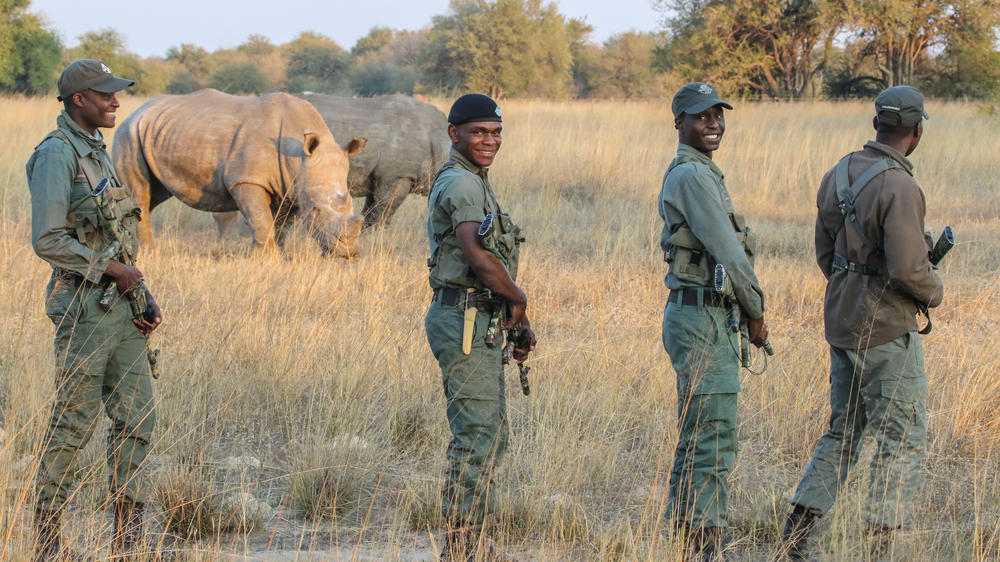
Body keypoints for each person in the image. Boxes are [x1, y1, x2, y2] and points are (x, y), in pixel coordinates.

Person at [780, 86, 944, 559]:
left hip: (842, 320)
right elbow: (910, 269)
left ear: (876, 124)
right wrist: (936, 290)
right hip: (887, 328)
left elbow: (825, 256)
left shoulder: (838, 174)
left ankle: (797, 533)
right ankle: (879, 546)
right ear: (916, 131)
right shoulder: (901, 186)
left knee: (844, 429)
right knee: (902, 436)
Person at [26, 59, 161, 560]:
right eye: (104, 95)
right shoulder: (57, 155)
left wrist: (140, 293)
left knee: (137, 419)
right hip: (82, 309)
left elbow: (113, 233)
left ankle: (128, 541)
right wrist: (112, 271)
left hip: (120, 308)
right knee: (73, 421)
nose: (115, 101)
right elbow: (48, 239)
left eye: (115, 93)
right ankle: (47, 542)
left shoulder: (97, 153)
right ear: (78, 99)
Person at [658, 82, 769, 559]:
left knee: (698, 429)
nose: (714, 124)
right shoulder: (693, 176)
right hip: (703, 317)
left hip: (699, 313)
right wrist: (757, 311)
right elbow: (729, 253)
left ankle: (687, 535)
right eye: (702, 116)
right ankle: (705, 540)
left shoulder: (701, 171)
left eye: (718, 115)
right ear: (680, 121)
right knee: (715, 435)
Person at [424, 93, 536, 561]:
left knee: (491, 434)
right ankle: (461, 547)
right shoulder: (463, 185)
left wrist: (517, 319)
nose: (489, 140)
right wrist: (521, 299)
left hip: (480, 317)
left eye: (495, 132)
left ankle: (472, 543)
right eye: (478, 132)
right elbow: (478, 255)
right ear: (455, 134)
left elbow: (492, 260)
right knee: (476, 436)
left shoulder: (476, 181)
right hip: (463, 318)